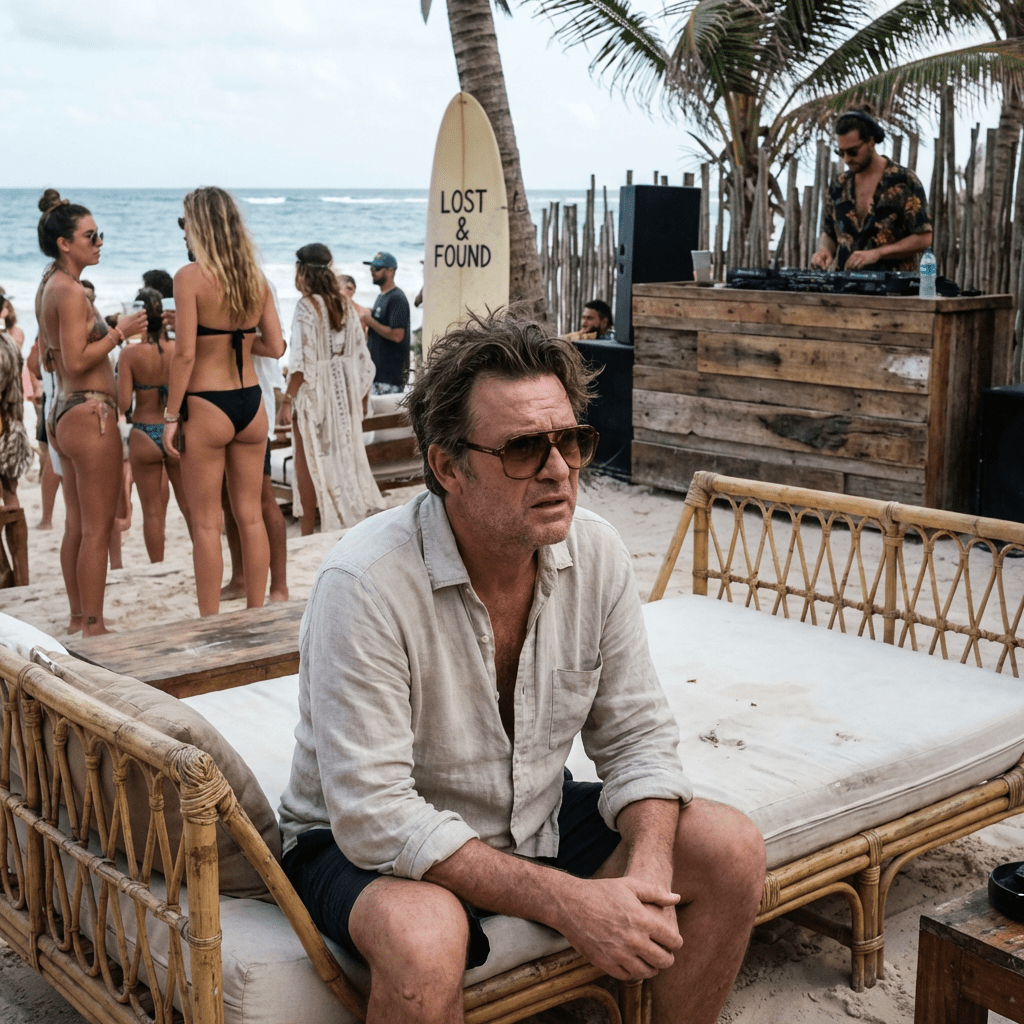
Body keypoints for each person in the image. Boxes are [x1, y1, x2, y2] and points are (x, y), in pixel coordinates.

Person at [278, 310, 766, 1024]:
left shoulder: (595, 553)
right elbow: (376, 815)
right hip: (355, 846)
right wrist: (572, 904)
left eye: (570, 441)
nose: (560, 470)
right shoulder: (366, 583)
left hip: (527, 815)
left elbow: (635, 737)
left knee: (729, 848)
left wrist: (649, 873)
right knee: (422, 940)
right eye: (524, 449)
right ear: (448, 467)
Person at [162, 186, 285, 616]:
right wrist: (240, 341)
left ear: (198, 226)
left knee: (206, 523)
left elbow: (185, 354)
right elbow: (276, 346)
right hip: (251, 404)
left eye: (186, 223)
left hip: (207, 404)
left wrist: (171, 415)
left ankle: (210, 621)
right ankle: (256, 612)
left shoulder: (189, 277)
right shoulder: (255, 277)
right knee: (251, 516)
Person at [34, 189, 148, 635]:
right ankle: (94, 625)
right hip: (88, 413)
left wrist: (112, 325)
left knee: (77, 524)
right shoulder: (70, 290)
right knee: (98, 528)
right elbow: (79, 360)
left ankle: (79, 616)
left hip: (65, 412)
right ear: (66, 242)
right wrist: (119, 332)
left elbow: (54, 352)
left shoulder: (51, 282)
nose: (99, 242)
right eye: (91, 235)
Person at [278, 244, 382, 534]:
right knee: (343, 459)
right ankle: (346, 525)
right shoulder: (345, 305)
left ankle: (309, 532)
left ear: (301, 272)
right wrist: (360, 397)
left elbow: (300, 363)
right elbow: (363, 358)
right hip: (344, 395)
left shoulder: (306, 307)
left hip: (314, 396)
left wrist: (287, 401)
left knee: (307, 464)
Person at [116, 287, 191, 563]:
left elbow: (123, 404)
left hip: (144, 432)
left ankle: (157, 566)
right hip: (175, 431)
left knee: (152, 511)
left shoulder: (130, 356)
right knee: (189, 506)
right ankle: (202, 557)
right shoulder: (178, 349)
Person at [812, 110, 932, 272]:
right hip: (844, 290)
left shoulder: (904, 181)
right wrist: (824, 251)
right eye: (841, 152)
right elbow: (829, 233)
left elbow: (924, 238)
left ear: (871, 142)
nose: (846, 159)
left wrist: (879, 253)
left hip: (894, 292)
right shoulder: (837, 185)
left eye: (853, 152)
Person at [360, 251, 411, 395]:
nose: (372, 272)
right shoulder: (382, 296)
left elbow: (397, 335)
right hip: (377, 376)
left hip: (389, 377)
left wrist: (371, 322)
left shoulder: (397, 298)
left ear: (390, 271)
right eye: (371, 268)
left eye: (376, 269)